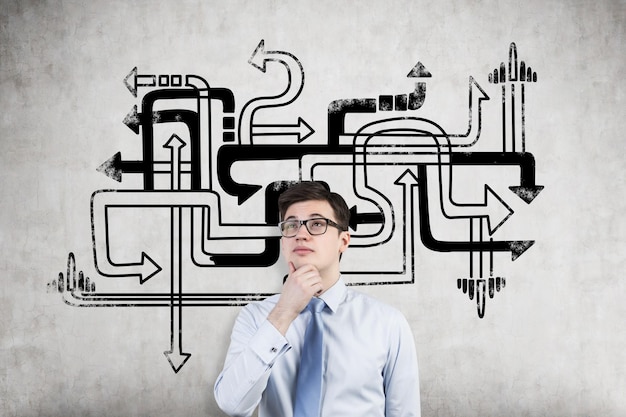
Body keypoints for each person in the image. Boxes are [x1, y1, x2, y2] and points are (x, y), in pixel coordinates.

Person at [214, 181, 420, 417]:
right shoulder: (256, 317)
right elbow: (232, 405)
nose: (301, 234)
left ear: (343, 241)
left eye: (317, 224)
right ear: (283, 242)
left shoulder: (387, 323)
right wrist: (283, 314)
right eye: (291, 225)